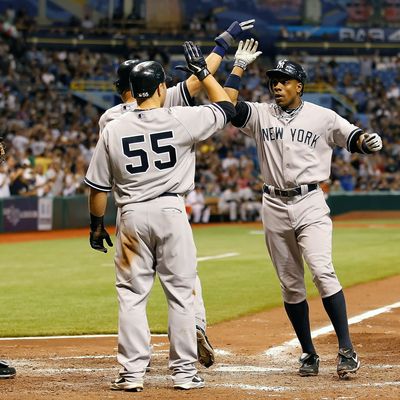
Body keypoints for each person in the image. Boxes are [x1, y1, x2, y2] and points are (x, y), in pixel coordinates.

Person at [97, 20, 255, 368]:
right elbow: (206, 87)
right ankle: (190, 343)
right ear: (157, 86)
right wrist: (225, 48)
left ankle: (133, 367)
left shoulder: (110, 120)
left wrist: (96, 224)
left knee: (132, 295)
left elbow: (99, 181)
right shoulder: (172, 111)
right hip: (170, 206)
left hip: (130, 212)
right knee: (184, 285)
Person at [224, 41, 383, 379]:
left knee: (323, 272)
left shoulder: (322, 116)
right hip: (273, 204)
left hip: (310, 201)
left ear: (299, 85)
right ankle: (309, 354)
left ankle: (346, 350)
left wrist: (368, 142)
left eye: (284, 80)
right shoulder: (260, 113)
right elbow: (226, 105)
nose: (277, 86)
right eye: (273, 81)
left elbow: (353, 137)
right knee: (290, 285)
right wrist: (237, 66)